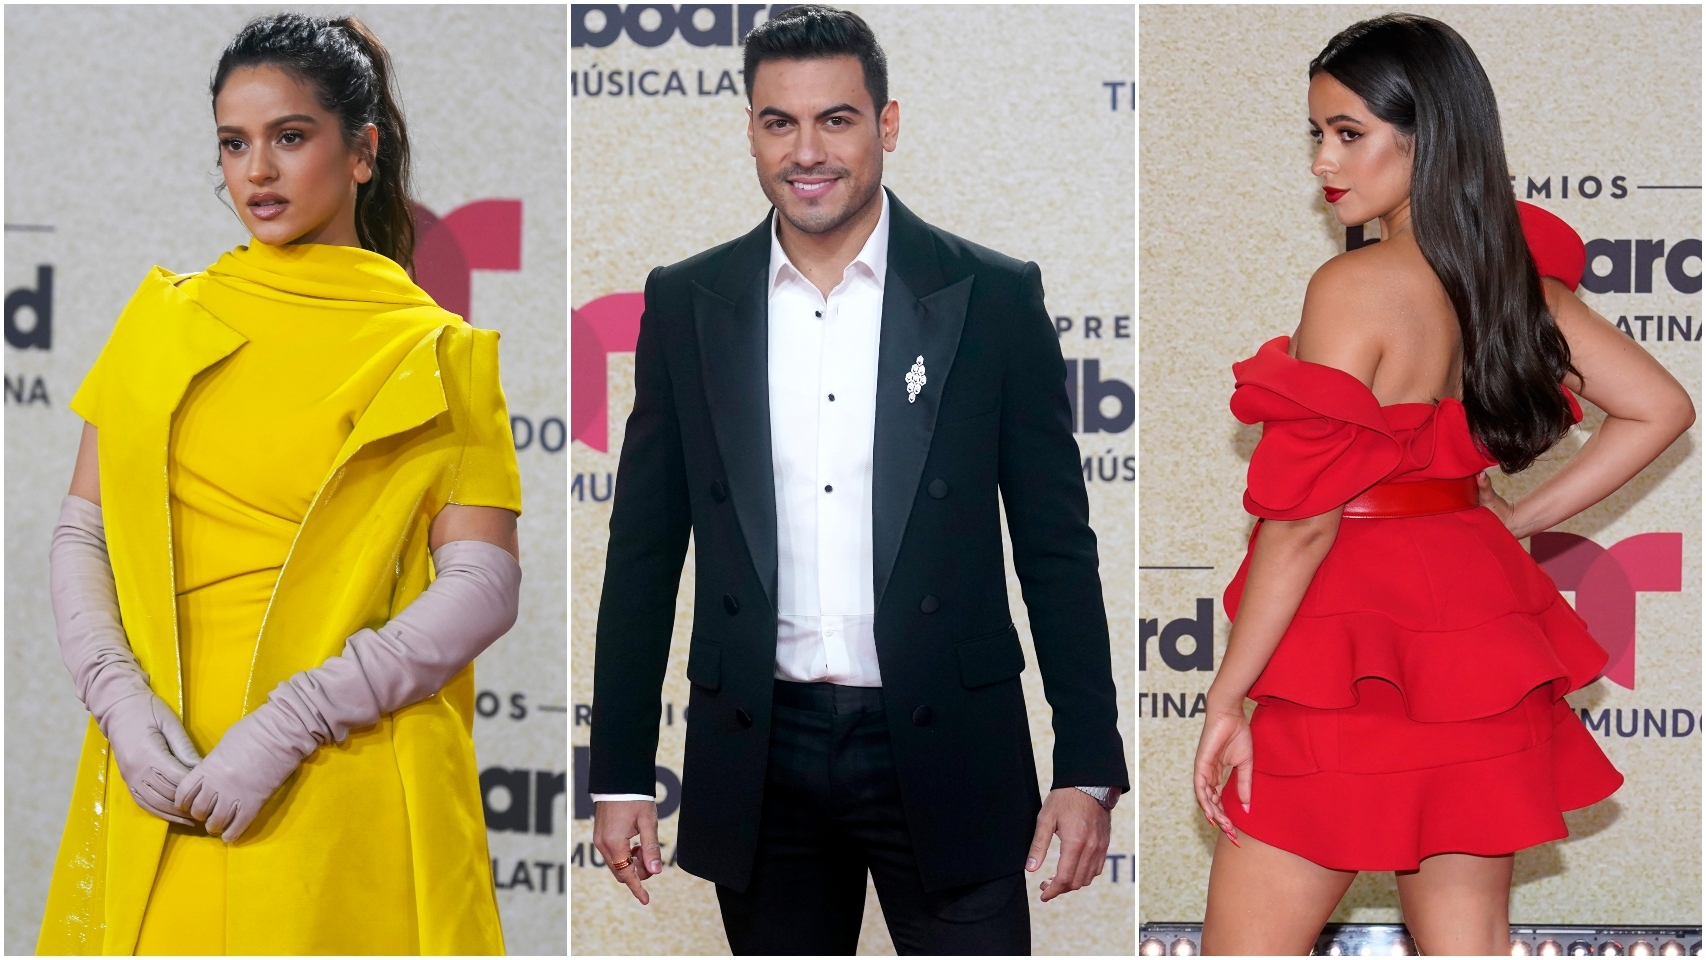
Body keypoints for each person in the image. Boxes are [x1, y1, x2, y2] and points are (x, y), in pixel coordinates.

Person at [587, 5, 1128, 955]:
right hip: (763, 749)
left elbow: (1053, 545)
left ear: (886, 124)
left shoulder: (993, 297)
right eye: (778, 122)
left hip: (951, 741)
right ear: (751, 131)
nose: (808, 151)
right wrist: (622, 772)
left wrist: (1087, 762)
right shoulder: (686, 301)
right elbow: (641, 551)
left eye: (835, 119)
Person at [1192, 14, 1694, 956]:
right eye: (1317, 134)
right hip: (1473, 635)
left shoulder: (1351, 288)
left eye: (1350, 134)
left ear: (1429, 140)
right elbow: (1661, 407)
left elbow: (1303, 527)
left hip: (1352, 635)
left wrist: (1227, 698)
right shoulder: (1512, 283)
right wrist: (1513, 524)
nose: (1323, 163)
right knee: (1466, 941)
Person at [37, 14, 522, 955]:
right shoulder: (164, 319)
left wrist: (291, 723)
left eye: (289, 137)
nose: (256, 171)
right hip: (160, 777)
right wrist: (121, 705)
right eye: (234, 143)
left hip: (341, 777)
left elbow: (481, 586)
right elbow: (80, 535)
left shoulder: (435, 350)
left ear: (363, 151)